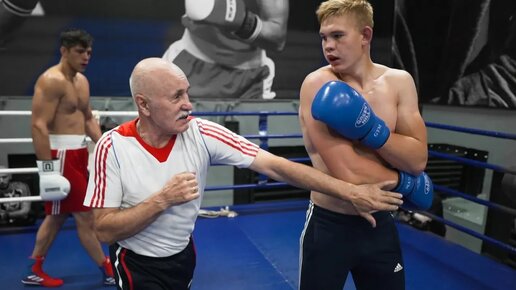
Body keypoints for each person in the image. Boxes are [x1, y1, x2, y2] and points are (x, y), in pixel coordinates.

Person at [83, 57, 403, 290]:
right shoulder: (112, 147)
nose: (189, 104)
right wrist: (162, 200)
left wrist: (350, 192)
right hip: (136, 263)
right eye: (176, 97)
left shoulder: (201, 133)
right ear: (144, 105)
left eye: (187, 93)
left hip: (182, 256)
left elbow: (275, 165)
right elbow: (104, 230)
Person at [298, 1, 430, 289]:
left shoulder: (399, 83)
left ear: (365, 35)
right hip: (329, 225)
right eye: (324, 37)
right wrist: (405, 183)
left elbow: (418, 160)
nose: (328, 46)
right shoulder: (317, 84)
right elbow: (351, 174)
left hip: (380, 226)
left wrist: (374, 132)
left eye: (338, 36)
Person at [25, 28, 115, 287]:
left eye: (88, 52)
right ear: (64, 51)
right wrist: (48, 169)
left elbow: (87, 119)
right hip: (59, 155)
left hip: (77, 154)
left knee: (57, 217)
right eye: (79, 51)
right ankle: (108, 269)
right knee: (86, 216)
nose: (86, 57)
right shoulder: (50, 80)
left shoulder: (82, 82)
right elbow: (38, 125)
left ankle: (34, 268)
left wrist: (106, 144)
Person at [162, 0, 289, 99]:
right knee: (169, 129)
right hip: (191, 64)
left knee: (251, 132)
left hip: (249, 77)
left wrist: (241, 20)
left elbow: (277, 38)